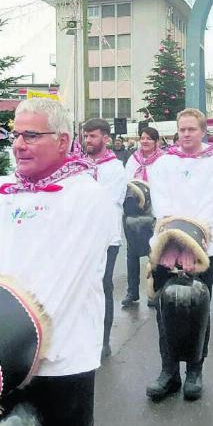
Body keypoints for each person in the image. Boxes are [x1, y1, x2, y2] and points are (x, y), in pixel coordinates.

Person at [0, 99, 116, 426]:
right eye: (15, 135)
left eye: (31, 136)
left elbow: (60, 289)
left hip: (59, 361)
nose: (18, 145)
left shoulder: (86, 196)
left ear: (63, 140)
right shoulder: (1, 191)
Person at [146, 108, 213, 401]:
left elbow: (212, 206)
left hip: (206, 248)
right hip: (166, 246)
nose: (186, 135)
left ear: (203, 131)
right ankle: (168, 372)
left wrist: (190, 242)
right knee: (164, 311)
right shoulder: (164, 163)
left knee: (197, 309)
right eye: (182, 130)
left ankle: (195, 371)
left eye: (191, 129)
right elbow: (161, 203)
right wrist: (173, 240)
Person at [83, 119, 127, 359]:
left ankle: (103, 340)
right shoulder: (80, 165)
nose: (88, 140)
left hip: (105, 238)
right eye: (86, 136)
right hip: (81, 238)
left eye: (93, 136)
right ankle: (84, 334)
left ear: (106, 139)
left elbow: (103, 202)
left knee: (103, 285)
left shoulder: (115, 168)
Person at [122, 127, 165, 307]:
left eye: (149, 138)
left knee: (154, 253)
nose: (145, 141)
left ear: (156, 141)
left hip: (154, 211)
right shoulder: (133, 159)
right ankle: (132, 291)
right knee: (132, 253)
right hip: (135, 212)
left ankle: (153, 291)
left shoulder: (164, 160)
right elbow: (126, 181)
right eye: (142, 138)